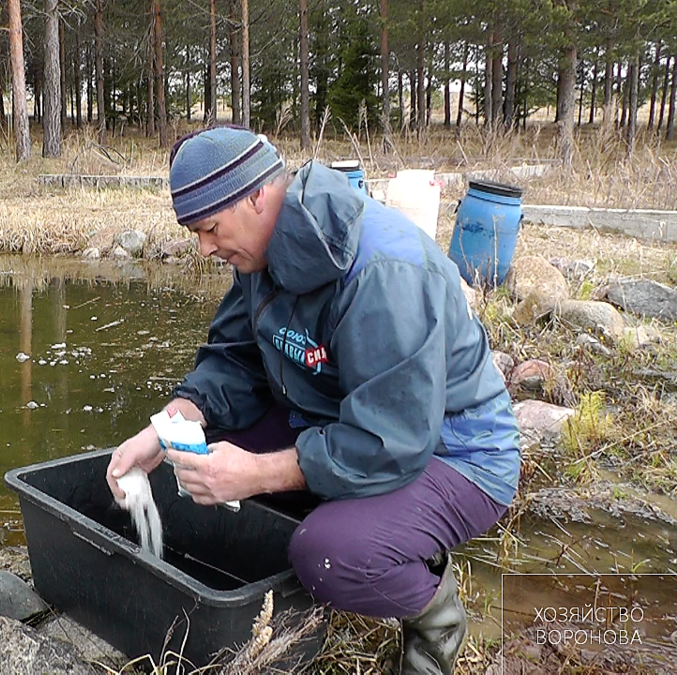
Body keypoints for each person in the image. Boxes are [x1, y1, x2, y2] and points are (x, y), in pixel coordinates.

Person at [105, 126, 520, 675]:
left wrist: (258, 473)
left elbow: (390, 439)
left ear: (255, 195)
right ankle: (362, 526)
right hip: (343, 416)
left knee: (326, 553)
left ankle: (434, 618)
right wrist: (167, 427)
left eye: (209, 229)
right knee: (202, 456)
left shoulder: (382, 273)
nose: (205, 249)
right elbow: (233, 358)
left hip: (455, 451)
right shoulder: (257, 253)